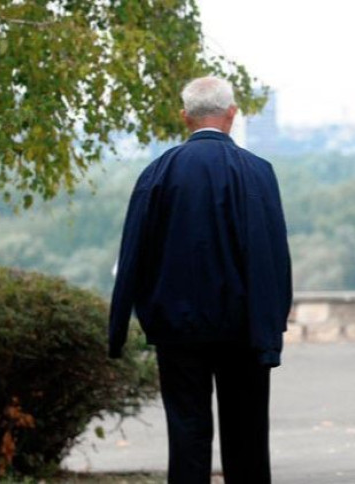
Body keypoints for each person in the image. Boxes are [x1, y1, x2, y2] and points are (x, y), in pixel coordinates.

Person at [108, 76, 292, 484]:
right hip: (244, 327)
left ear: (184, 116)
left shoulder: (158, 172)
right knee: (247, 438)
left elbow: (134, 250)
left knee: (187, 434)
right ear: (232, 114)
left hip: (176, 327)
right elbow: (274, 255)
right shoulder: (258, 172)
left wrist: (118, 328)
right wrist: (273, 323)